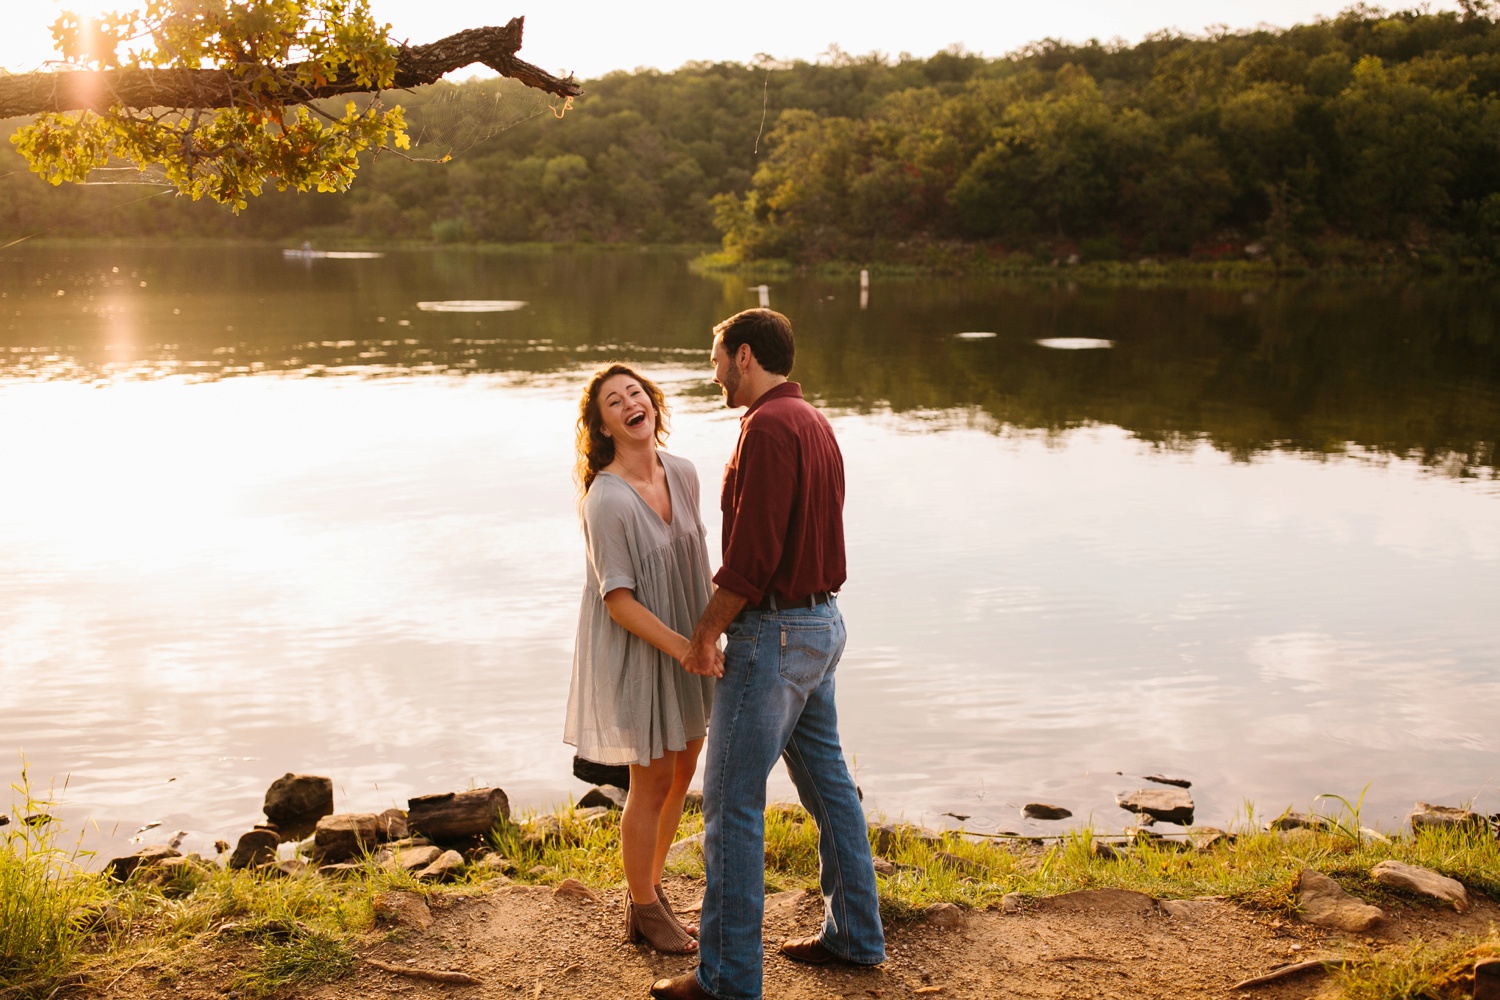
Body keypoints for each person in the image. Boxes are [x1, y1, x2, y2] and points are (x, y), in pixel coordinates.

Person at [650, 310, 885, 1000]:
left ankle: (726, 979)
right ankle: (856, 936)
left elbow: (753, 559)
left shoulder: (769, 428)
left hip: (775, 635)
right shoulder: (811, 420)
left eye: (716, 357)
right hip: (820, 626)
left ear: (744, 356)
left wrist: (702, 635)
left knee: (731, 806)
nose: (713, 371)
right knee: (829, 787)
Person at [565, 363, 719, 954]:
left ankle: (650, 891)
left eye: (636, 392)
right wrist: (684, 646)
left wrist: (709, 636)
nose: (631, 402)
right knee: (649, 781)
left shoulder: (682, 473)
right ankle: (644, 908)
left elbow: (696, 566)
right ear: (602, 427)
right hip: (642, 652)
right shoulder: (605, 500)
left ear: (652, 404)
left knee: (683, 770)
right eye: (614, 401)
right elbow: (618, 601)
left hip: (690, 647)